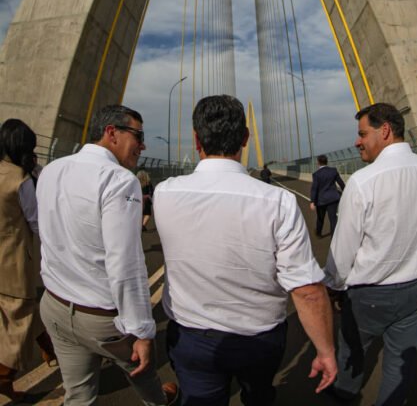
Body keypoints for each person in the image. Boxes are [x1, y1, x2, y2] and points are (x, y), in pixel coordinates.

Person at [154, 94, 337, 406]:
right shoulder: (278, 201)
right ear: (245, 138)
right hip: (260, 340)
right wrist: (326, 351)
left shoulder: (164, 193)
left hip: (191, 338)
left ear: (196, 140)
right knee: (259, 396)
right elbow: (306, 290)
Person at [37, 104, 178, 405]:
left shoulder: (51, 170)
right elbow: (125, 263)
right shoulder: (119, 180)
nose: (143, 145)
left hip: (55, 305)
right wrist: (142, 331)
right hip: (101, 319)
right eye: (138, 136)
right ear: (112, 133)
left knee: (78, 395)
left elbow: (45, 232)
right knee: (143, 374)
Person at [324, 102, 417, 406]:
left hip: (372, 292)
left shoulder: (363, 181)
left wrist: (333, 287)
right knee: (399, 361)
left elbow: (342, 250)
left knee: (353, 348)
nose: (357, 141)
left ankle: (345, 393)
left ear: (386, 130)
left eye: (363, 133)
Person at [0, 119, 56, 401]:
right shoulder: (21, 180)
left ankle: (48, 347)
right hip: (16, 260)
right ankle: (3, 376)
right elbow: (36, 221)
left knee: (14, 313)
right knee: (20, 315)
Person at [309, 154, 345, 236]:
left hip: (321, 200)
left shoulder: (316, 174)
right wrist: (346, 192)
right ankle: (334, 238)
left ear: (318, 163)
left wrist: (312, 201)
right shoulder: (333, 171)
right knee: (333, 219)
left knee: (320, 218)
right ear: (327, 161)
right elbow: (341, 183)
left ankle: (318, 233)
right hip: (333, 199)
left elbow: (314, 188)